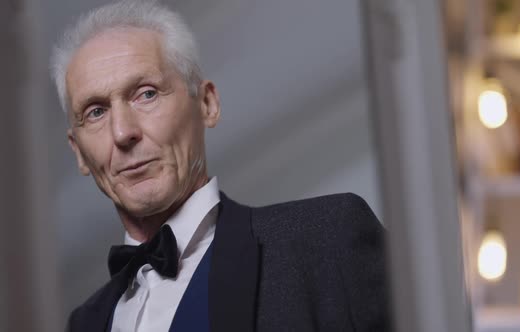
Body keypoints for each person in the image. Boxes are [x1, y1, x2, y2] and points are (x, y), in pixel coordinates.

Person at [51, 1, 390, 331]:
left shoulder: (326, 241)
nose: (123, 132)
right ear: (78, 152)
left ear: (207, 104)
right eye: (96, 112)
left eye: (146, 94)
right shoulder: (84, 323)